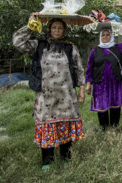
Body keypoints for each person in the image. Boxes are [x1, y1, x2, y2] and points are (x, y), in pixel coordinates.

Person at [13, 16, 86, 171]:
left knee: (64, 125)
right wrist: (30, 27)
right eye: (54, 28)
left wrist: (81, 90)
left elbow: (79, 68)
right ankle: (47, 160)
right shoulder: (39, 46)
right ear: (49, 30)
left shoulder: (70, 48)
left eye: (60, 28)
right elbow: (17, 42)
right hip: (45, 97)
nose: (57, 31)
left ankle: (66, 157)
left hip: (66, 96)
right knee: (47, 127)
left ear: (64, 30)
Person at [85, 23, 122, 131]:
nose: (105, 37)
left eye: (108, 35)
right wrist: (88, 84)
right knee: (102, 107)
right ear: (100, 37)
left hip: (115, 83)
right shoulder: (95, 51)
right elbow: (89, 68)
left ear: (111, 36)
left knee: (115, 105)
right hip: (100, 84)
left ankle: (114, 128)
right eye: (103, 35)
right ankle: (104, 129)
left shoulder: (118, 48)